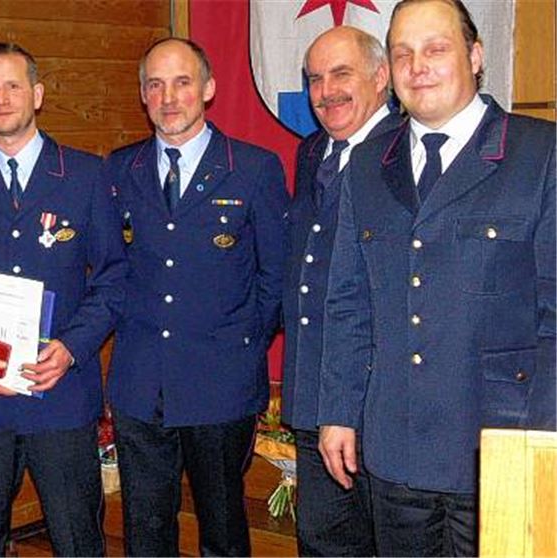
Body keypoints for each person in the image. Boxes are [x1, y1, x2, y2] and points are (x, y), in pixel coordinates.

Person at [318, 0, 556, 555]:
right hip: (395, 447)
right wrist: (338, 412)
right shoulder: (369, 164)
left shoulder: (538, 154)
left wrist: (539, 439)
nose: (417, 65)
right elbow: (348, 304)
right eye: (402, 53)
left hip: (502, 445)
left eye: (435, 48)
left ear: (475, 56)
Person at [0, 42, 126, 556]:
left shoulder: (85, 175)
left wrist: (73, 347)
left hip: (60, 395)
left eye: (13, 84)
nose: (1, 97)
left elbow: (113, 276)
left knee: (78, 540)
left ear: (37, 94)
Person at [102, 38, 289, 557]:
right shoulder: (120, 170)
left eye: (182, 82)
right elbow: (113, 270)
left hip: (220, 381)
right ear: (142, 94)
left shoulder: (254, 168)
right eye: (155, 84)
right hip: (141, 382)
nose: (169, 97)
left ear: (207, 88)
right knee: (145, 527)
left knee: (222, 527)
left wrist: (241, 343)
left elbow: (275, 275)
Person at [282, 26, 399, 557]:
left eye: (341, 74)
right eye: (314, 78)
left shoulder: (407, 152)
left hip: (382, 404)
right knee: (323, 543)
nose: (326, 90)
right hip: (314, 392)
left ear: (381, 76)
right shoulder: (313, 154)